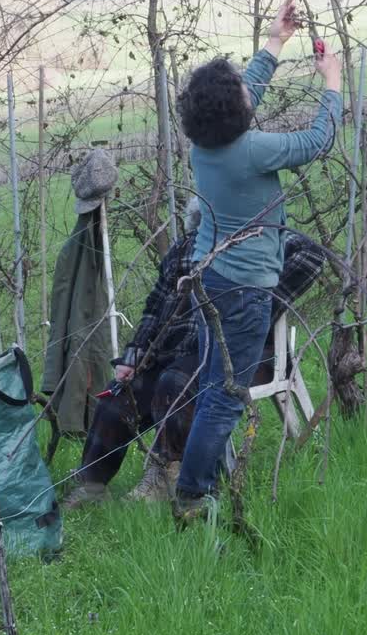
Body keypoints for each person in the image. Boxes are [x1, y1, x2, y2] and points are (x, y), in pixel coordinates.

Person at [171, 0, 342, 524]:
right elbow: (318, 139)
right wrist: (333, 82)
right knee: (226, 394)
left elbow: (246, 93)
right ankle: (192, 498)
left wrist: (275, 41)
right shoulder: (253, 149)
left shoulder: (205, 144)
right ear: (237, 113)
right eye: (242, 89)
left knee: (211, 383)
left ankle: (202, 479)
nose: (250, 87)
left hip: (209, 277)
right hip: (244, 290)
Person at [61, 198, 326, 510]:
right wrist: (133, 356)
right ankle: (92, 483)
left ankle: (166, 473)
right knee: (117, 399)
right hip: (172, 352)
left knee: (175, 384)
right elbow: (154, 308)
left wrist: (257, 304)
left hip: (239, 354)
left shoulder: (255, 243)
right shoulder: (184, 249)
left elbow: (310, 254)